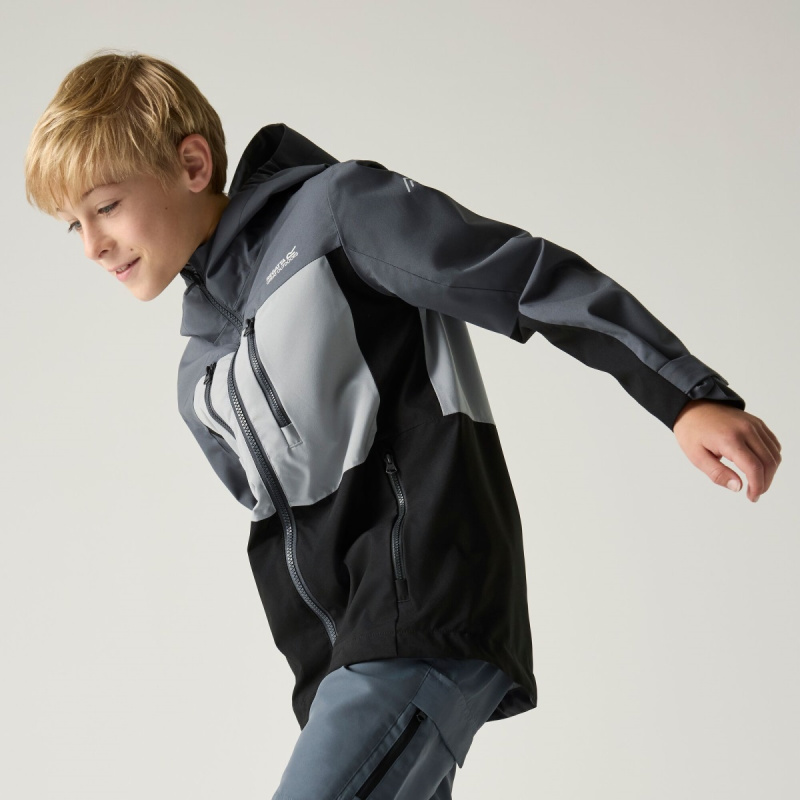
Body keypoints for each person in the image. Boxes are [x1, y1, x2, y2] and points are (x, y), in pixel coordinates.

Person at [25, 51, 782, 800]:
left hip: (420, 607)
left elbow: (520, 274)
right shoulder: (201, 372)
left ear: (193, 165)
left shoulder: (337, 212)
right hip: (344, 669)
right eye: (73, 226)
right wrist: (322, 702)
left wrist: (683, 395)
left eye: (106, 207)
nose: (92, 245)